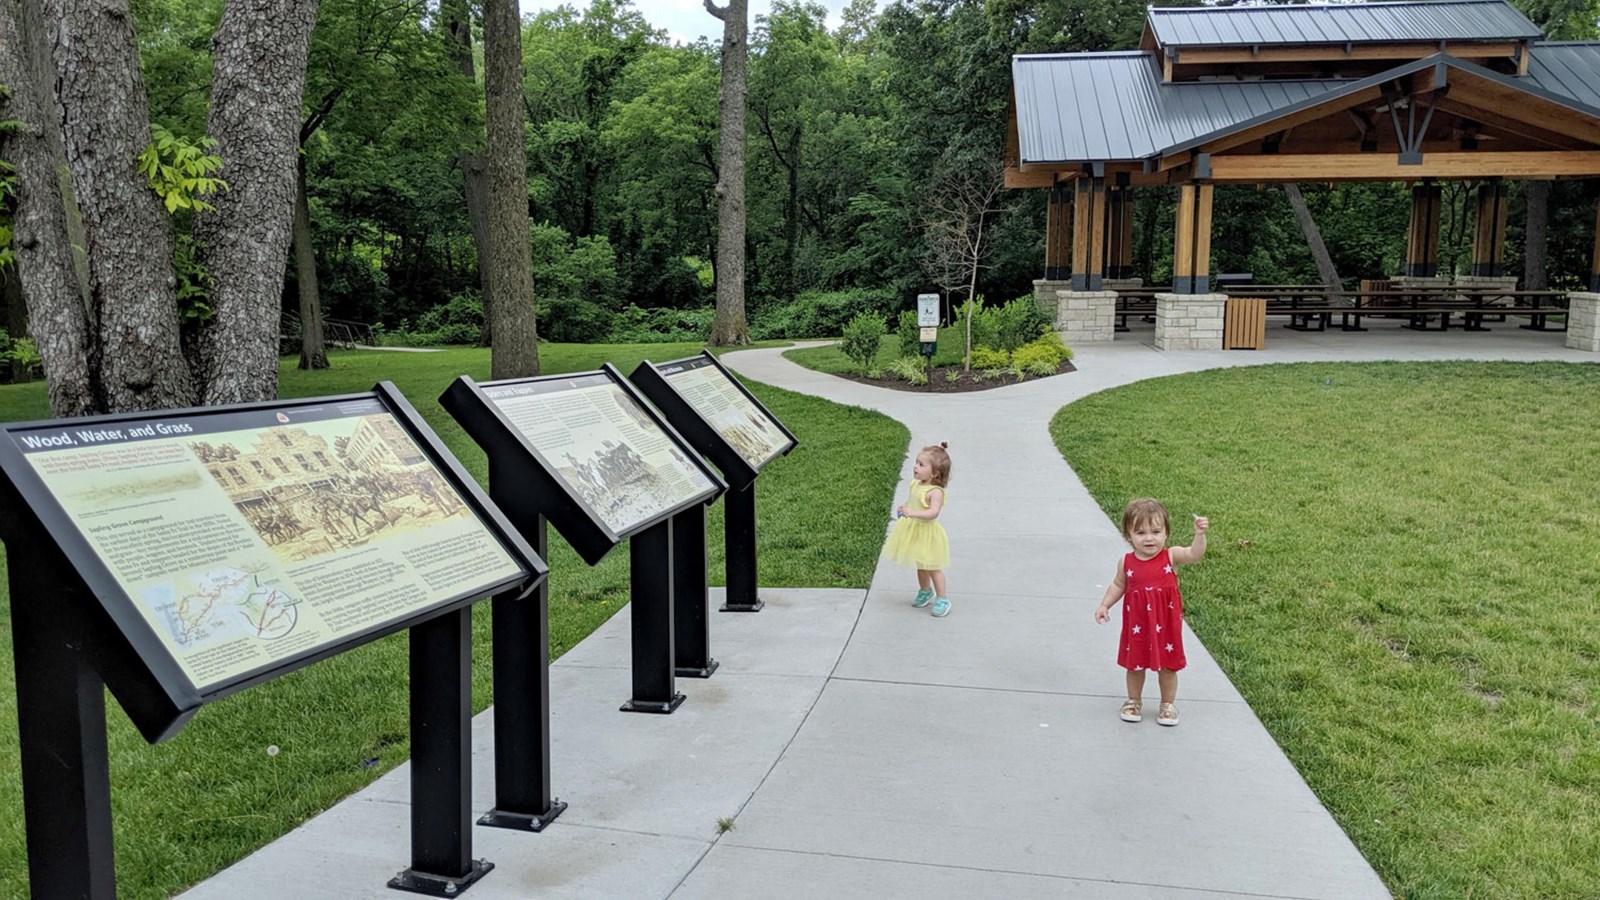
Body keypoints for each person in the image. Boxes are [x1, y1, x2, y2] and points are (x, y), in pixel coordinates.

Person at [1094, 498, 1209, 726]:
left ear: (1166, 533)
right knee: (1134, 664)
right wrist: (1105, 604)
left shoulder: (1171, 556)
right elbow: (1118, 585)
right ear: (1128, 535)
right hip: (1138, 624)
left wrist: (1199, 535)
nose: (1149, 538)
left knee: (1168, 665)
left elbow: (1194, 554)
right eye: (1140, 532)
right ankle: (1133, 700)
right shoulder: (1126, 562)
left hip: (1165, 624)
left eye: (1156, 531)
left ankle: (1167, 704)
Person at [882, 443, 953, 617]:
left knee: (933, 567)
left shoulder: (935, 492)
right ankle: (925, 590)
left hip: (928, 534)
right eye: (916, 462)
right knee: (921, 565)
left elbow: (933, 513)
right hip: (915, 531)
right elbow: (912, 501)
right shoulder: (916, 484)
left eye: (921, 465)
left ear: (934, 473)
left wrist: (912, 512)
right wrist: (904, 506)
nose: (915, 467)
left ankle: (942, 598)